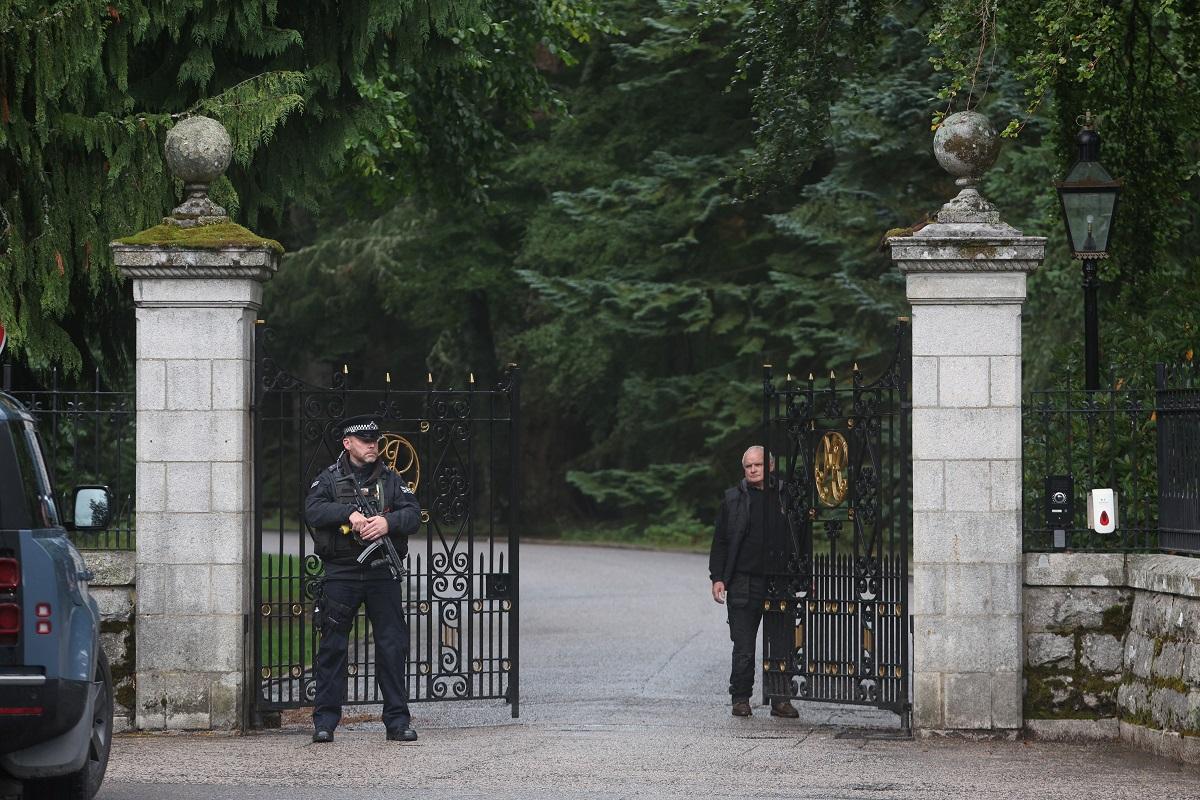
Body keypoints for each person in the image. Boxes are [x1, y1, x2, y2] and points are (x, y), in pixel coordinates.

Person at [304, 414, 421, 743]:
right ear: (348, 443)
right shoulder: (329, 479)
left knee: (392, 646)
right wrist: (348, 514)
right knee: (333, 646)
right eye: (365, 441)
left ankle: (397, 722)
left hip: (382, 573)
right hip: (341, 573)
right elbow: (313, 509)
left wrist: (387, 523)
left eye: (375, 441)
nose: (372, 446)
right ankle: (325, 722)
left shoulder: (391, 479)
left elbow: (413, 514)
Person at [708, 445, 799, 718]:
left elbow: (800, 536)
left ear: (770, 466)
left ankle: (780, 700)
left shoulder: (786, 495)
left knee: (781, 644)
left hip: (779, 581)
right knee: (744, 645)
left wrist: (804, 575)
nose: (753, 470)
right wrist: (718, 578)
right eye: (748, 466)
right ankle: (740, 698)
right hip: (743, 581)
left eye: (757, 465)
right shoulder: (733, 498)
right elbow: (720, 541)